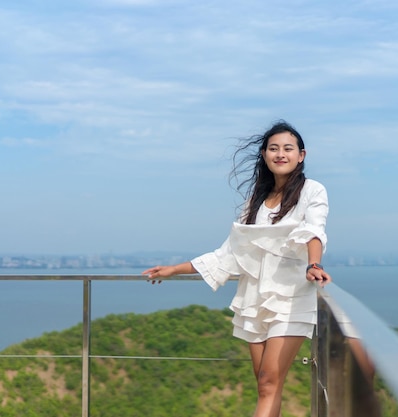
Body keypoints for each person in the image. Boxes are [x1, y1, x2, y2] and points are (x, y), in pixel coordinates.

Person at [142, 120, 331, 417]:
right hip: (254, 298)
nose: (280, 154)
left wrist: (314, 264)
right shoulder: (255, 201)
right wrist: (174, 269)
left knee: (270, 381)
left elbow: (314, 231)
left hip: (292, 297)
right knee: (267, 386)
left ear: (301, 155)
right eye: (273, 148)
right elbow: (229, 254)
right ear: (265, 155)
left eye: (288, 149)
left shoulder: (312, 190)